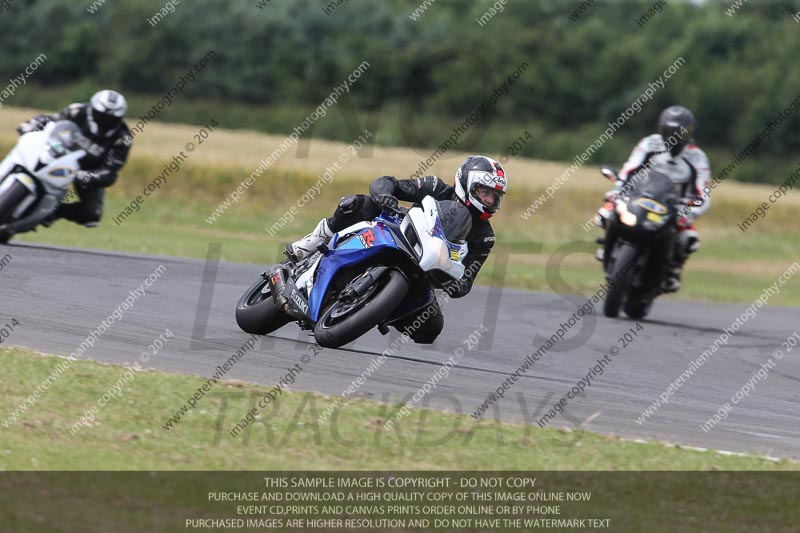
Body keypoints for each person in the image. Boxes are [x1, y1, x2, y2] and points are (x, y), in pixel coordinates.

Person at [287, 155, 508, 343]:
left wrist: (455, 281)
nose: (489, 200)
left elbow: (467, 280)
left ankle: (378, 307)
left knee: (430, 329)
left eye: (494, 196)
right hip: (399, 234)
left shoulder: (485, 237)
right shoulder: (435, 187)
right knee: (357, 204)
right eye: (484, 192)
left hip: (424, 271)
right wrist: (385, 196)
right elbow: (387, 182)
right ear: (466, 183)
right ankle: (315, 240)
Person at [596, 105, 710, 292]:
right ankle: (607, 246)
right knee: (605, 212)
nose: (675, 135)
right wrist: (618, 186)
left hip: (673, 207)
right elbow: (629, 169)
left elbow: (703, 192)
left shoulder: (697, 157)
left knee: (689, 238)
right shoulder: (650, 144)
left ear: (689, 131)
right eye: (670, 130)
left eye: (681, 131)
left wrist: (690, 211)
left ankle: (673, 270)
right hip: (640, 197)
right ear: (662, 129)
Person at [13, 89, 132, 229]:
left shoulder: (123, 137)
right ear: (92, 109)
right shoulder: (78, 111)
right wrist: (32, 124)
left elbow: (110, 173)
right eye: (101, 116)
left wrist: (86, 176)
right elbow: (51, 120)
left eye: (110, 119)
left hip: (84, 172)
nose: (104, 121)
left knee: (92, 214)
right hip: (57, 154)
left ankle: (50, 212)